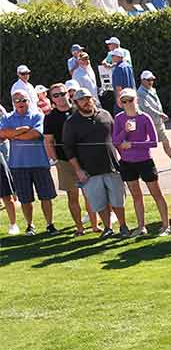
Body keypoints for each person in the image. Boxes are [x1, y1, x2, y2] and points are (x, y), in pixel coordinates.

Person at [62, 87, 129, 237]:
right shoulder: (71, 123)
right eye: (81, 100)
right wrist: (78, 170)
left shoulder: (105, 115)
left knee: (118, 200)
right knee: (99, 202)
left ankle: (123, 226)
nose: (86, 102)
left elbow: (116, 138)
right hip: (89, 171)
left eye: (88, 98)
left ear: (93, 99)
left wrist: (123, 158)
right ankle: (107, 228)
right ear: (76, 102)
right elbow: (69, 150)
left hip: (112, 166)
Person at [112, 87, 169, 236]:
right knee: (136, 196)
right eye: (124, 101)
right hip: (127, 163)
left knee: (156, 193)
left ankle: (166, 225)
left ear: (136, 100)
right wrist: (125, 131)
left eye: (130, 100)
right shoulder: (119, 118)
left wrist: (133, 144)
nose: (128, 103)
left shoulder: (144, 118)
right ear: (121, 103)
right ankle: (141, 227)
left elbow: (154, 142)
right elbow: (115, 140)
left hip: (144, 161)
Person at [44, 83, 97, 234]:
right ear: (52, 99)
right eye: (56, 95)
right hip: (64, 161)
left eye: (62, 93)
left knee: (90, 195)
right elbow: (48, 141)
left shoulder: (78, 111)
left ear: (69, 94)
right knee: (73, 197)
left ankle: (95, 226)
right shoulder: (50, 117)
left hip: (85, 160)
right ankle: (79, 228)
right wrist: (55, 160)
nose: (60, 97)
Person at [1, 91, 57, 234]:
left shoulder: (37, 115)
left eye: (23, 100)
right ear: (13, 102)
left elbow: (36, 134)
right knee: (25, 199)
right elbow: (2, 134)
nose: (20, 102)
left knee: (46, 196)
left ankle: (50, 224)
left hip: (39, 163)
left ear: (28, 101)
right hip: (18, 165)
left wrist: (14, 134)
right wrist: (24, 129)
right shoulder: (8, 118)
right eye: (17, 100)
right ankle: (30, 225)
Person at [135, 70, 171, 164]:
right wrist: (160, 114)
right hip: (149, 123)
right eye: (148, 80)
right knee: (148, 145)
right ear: (142, 80)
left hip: (158, 122)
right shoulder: (140, 93)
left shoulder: (152, 90)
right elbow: (147, 108)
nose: (151, 82)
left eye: (152, 79)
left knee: (166, 140)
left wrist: (160, 115)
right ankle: (145, 163)